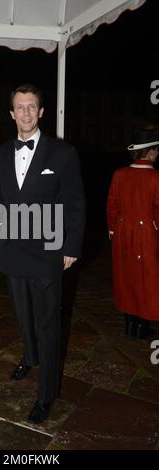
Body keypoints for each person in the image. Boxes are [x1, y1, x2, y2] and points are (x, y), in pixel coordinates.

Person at [0, 84, 86, 423]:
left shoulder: (63, 153)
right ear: (12, 113)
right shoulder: (0, 154)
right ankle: (29, 357)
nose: (27, 113)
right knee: (23, 316)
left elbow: (75, 203)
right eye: (20, 107)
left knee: (47, 324)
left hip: (48, 252)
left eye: (32, 107)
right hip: (13, 251)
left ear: (41, 112)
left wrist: (71, 247)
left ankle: (46, 394)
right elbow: (0, 199)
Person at [107, 128, 159, 339]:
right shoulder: (155, 177)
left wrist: (113, 230)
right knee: (146, 278)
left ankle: (130, 324)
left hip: (121, 233)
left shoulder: (119, 174)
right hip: (146, 234)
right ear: (151, 152)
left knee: (125, 276)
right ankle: (142, 326)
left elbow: (111, 205)